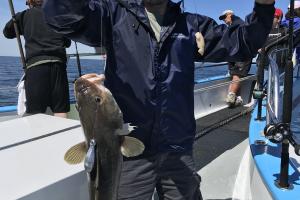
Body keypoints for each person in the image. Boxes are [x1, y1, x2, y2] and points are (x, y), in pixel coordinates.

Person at [43, 0, 275, 199]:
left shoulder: (192, 25)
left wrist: (264, 7)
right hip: (129, 151)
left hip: (178, 148)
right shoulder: (112, 14)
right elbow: (61, 17)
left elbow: (243, 42)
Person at [3, 0, 71, 118]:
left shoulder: (24, 15)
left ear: (30, 2)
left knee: (35, 113)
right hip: (58, 66)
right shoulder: (58, 16)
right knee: (60, 109)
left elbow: (7, 32)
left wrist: (17, 19)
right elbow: (67, 42)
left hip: (36, 67)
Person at [219, 9, 252, 107]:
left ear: (230, 15)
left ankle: (231, 96)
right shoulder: (231, 27)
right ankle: (238, 98)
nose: (224, 20)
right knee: (235, 74)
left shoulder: (239, 23)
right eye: (222, 18)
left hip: (242, 54)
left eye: (225, 17)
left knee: (237, 74)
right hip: (233, 55)